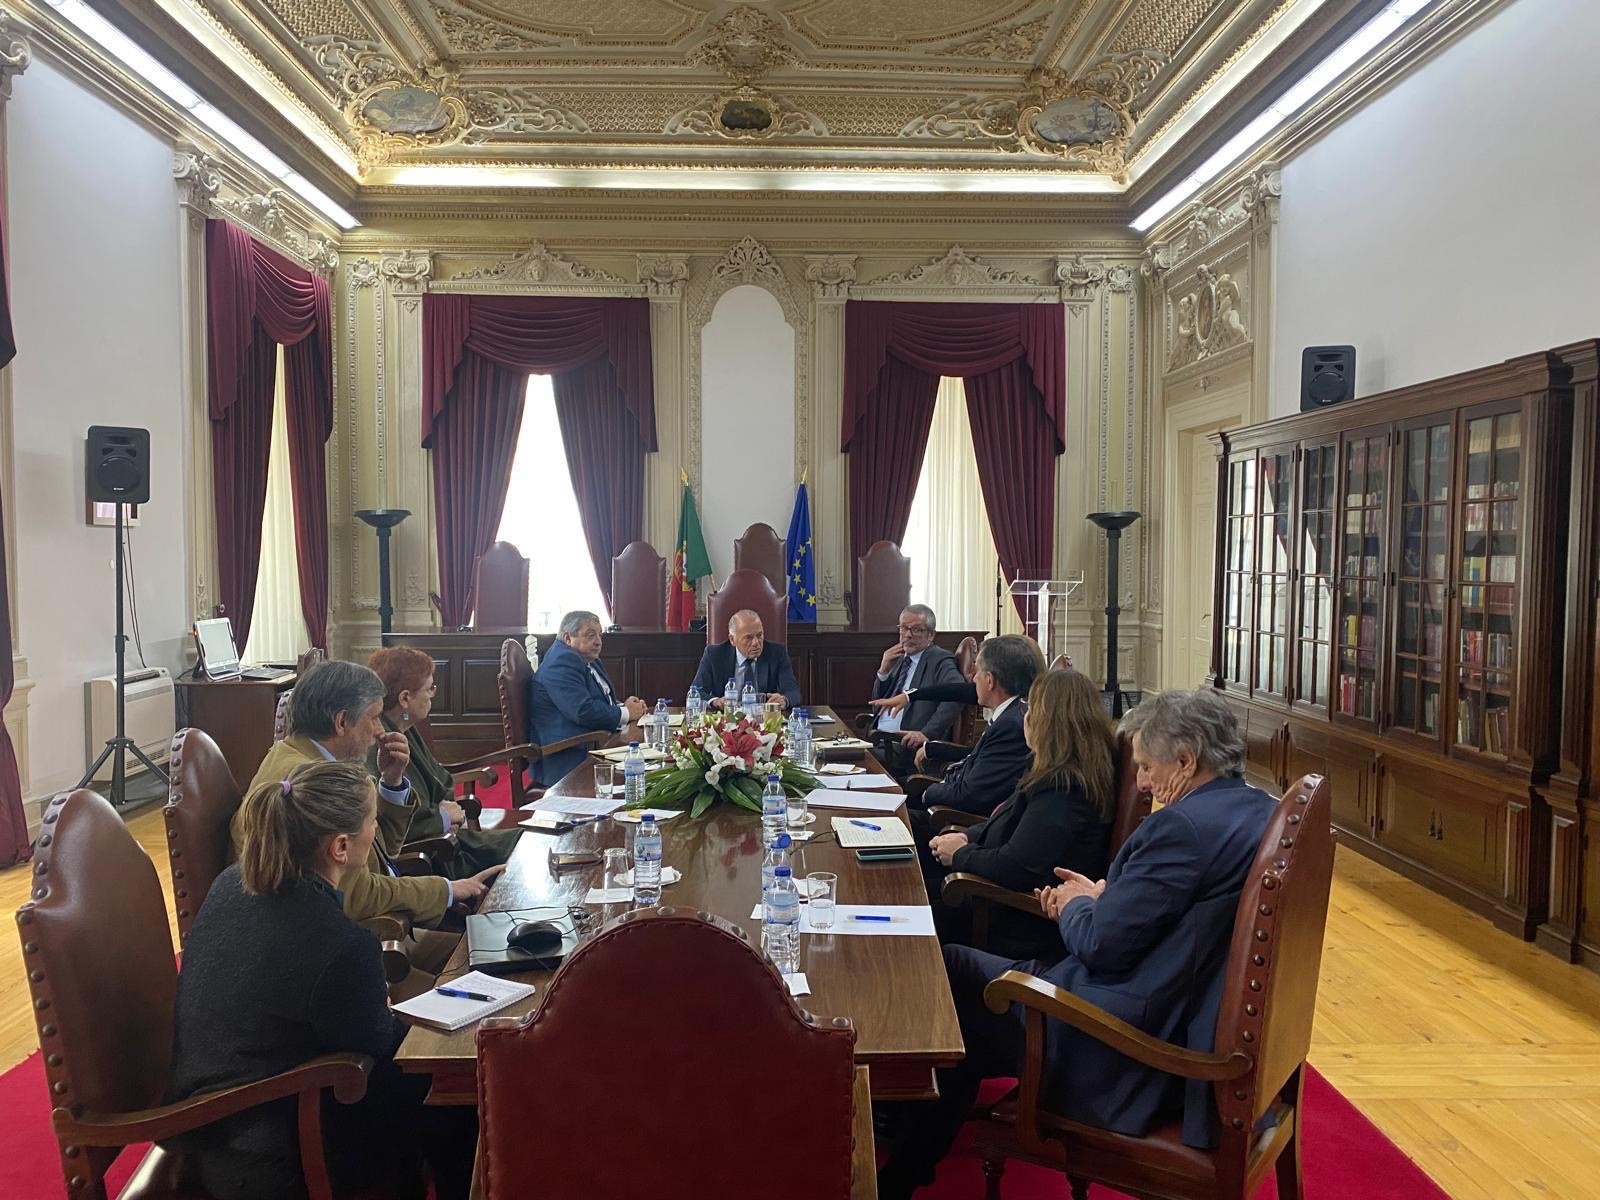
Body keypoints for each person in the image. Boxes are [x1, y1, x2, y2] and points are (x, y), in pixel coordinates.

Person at [876, 689, 1279, 1199]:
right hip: (1167, 1005)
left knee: (952, 977)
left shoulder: (1183, 827)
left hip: (1116, 1040)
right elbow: (1179, 920)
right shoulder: (1258, 810)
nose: (1143, 783)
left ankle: (896, 1158)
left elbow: (1101, 945)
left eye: (1147, 767)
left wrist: (1074, 905)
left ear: (1186, 760)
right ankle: (905, 1152)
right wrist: (1105, 898)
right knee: (962, 981)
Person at [167, 761, 477, 1200]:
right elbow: (383, 1047)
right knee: (453, 1090)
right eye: (373, 821)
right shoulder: (341, 945)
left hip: (209, 1127)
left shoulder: (232, 882)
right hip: (271, 1150)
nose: (376, 830)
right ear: (340, 847)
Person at [236, 661, 502, 942]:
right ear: (342, 722)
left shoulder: (297, 755)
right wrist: (447, 890)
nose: (379, 730)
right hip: (350, 940)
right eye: (373, 717)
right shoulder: (310, 784)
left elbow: (382, 850)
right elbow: (356, 895)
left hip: (371, 920)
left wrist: (391, 782)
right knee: (488, 947)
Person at [922, 667, 1116, 959]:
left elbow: (1017, 867)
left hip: (1012, 920)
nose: (1024, 717)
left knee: (910, 906)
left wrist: (960, 855)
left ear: (1048, 722)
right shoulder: (1052, 771)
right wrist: (967, 836)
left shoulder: (1063, 788)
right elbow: (1007, 820)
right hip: (995, 897)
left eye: (1031, 709)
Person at [367, 646, 520, 875]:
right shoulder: (382, 745)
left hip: (449, 840)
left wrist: (446, 812)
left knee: (528, 840)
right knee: (526, 850)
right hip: (434, 857)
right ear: (405, 698)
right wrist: (443, 817)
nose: (432, 695)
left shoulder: (404, 726)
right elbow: (397, 827)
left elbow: (441, 781)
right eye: (429, 688)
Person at [870, 634, 1043, 818]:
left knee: (879, 809)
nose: (973, 679)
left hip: (951, 818)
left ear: (990, 680)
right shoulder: (1012, 710)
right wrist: (931, 746)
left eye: (977, 671)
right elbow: (980, 756)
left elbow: (969, 795)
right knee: (882, 794)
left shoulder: (1011, 725)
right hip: (952, 792)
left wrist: (926, 792)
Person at [528, 610, 647, 786]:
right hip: (568, 758)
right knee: (643, 772)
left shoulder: (586, 658)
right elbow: (582, 711)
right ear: (568, 638)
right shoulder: (561, 662)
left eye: (600, 635)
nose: (598, 642)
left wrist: (625, 707)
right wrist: (627, 713)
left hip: (591, 745)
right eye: (590, 635)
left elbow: (599, 699)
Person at [870, 604, 965, 779]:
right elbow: (876, 707)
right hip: (880, 740)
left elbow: (957, 694)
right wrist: (883, 672)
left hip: (903, 750)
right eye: (903, 628)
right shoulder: (900, 659)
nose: (908, 635)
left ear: (931, 635)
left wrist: (926, 733)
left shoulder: (939, 659)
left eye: (916, 630)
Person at [690, 608, 803, 711]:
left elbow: (793, 692)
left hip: (763, 719)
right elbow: (697, 692)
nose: (756, 643)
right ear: (732, 640)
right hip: (728, 720)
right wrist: (716, 701)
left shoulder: (776, 653)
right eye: (748, 638)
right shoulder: (714, 655)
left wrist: (783, 700)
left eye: (759, 635)